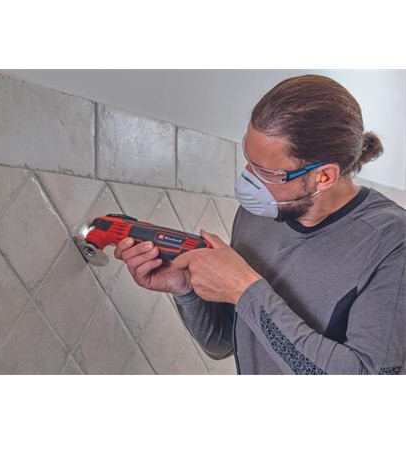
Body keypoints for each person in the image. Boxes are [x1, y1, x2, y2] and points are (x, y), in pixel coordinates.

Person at [114, 74, 406, 375]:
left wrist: (245, 290)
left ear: (324, 177)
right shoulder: (256, 216)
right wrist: (187, 289)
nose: (248, 180)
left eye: (267, 173)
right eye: (249, 161)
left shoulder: (392, 242)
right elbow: (223, 343)